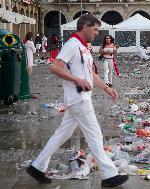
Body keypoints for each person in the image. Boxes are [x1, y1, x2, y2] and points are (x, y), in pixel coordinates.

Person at [25, 14, 128, 187]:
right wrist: (77, 80)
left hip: (79, 98)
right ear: (85, 27)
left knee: (62, 134)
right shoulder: (72, 45)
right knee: (95, 134)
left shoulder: (83, 47)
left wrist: (106, 88)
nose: (97, 33)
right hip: (78, 97)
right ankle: (109, 174)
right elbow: (55, 67)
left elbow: (90, 72)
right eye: (95, 29)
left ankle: (37, 166)